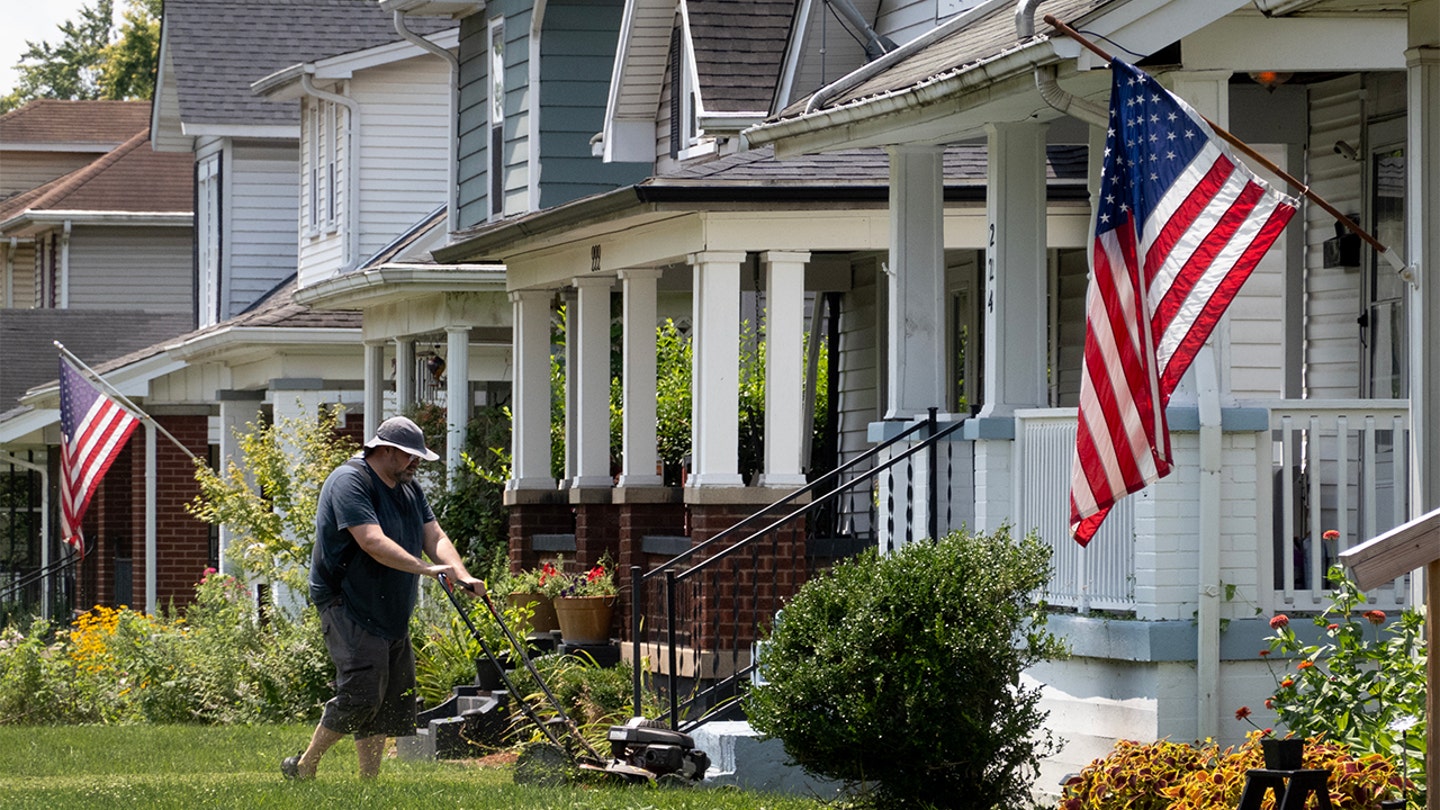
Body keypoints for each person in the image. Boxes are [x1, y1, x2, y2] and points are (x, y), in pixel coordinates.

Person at [282, 415, 484, 780]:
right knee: (362, 689)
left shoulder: (409, 488)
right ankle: (305, 765)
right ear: (386, 450)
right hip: (347, 600)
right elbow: (371, 541)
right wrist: (425, 570)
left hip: (390, 604)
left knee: (390, 696)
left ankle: (368, 784)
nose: (417, 462)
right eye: (410, 455)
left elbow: (434, 536)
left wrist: (460, 572)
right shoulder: (350, 481)